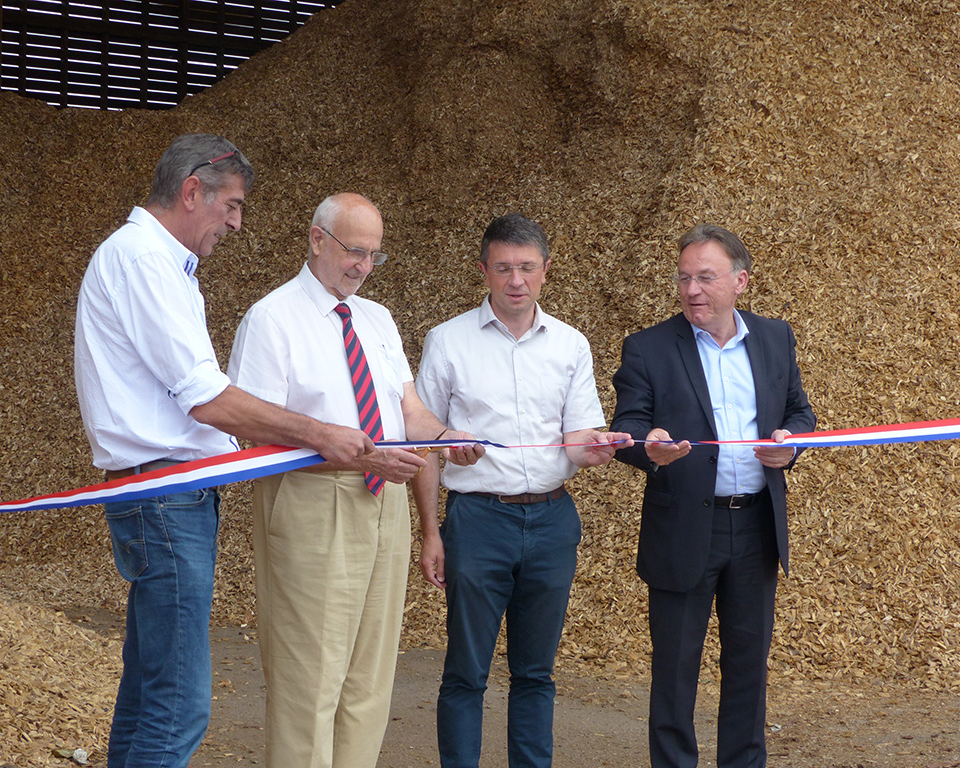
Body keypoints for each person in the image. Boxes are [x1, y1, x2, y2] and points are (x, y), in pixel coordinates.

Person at [73, 135, 375, 768]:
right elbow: (205, 397)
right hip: (165, 493)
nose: (237, 223)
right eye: (232, 205)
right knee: (180, 704)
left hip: (167, 490)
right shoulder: (144, 262)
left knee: (151, 690)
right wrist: (321, 433)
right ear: (192, 192)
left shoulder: (154, 262)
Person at [226, 192, 484, 768]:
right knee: (308, 677)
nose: (363, 266)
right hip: (311, 500)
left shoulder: (377, 318)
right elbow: (251, 430)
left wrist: (444, 439)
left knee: (370, 676)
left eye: (374, 255)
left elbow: (408, 409)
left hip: (384, 497)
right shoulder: (272, 318)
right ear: (317, 240)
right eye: (354, 251)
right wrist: (356, 457)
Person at [415, 212, 633, 768]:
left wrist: (599, 448)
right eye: (504, 268)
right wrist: (430, 532)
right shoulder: (447, 341)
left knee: (536, 672)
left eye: (528, 268)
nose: (516, 280)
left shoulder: (570, 345)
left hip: (553, 522)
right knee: (466, 671)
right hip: (477, 521)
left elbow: (578, 440)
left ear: (546, 271)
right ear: (484, 270)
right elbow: (421, 444)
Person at [609, 223, 816, 768]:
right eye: (683, 279)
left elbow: (799, 413)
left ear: (740, 281)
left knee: (748, 667)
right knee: (675, 672)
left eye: (705, 277)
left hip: (755, 528)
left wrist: (789, 447)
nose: (692, 290)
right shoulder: (648, 347)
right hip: (682, 530)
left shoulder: (775, 337)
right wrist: (647, 446)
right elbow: (627, 427)